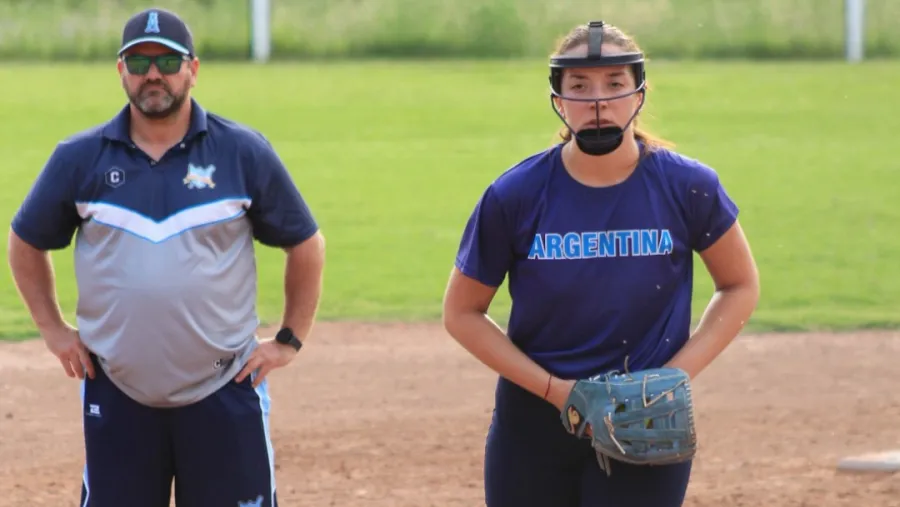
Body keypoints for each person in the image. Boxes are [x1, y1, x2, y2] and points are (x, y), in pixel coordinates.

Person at [6, 7, 325, 507]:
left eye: (167, 60)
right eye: (138, 62)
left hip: (225, 389)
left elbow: (305, 243)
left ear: (192, 69)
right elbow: (26, 242)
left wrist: (288, 339)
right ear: (121, 73)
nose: (152, 73)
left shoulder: (241, 152)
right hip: (116, 391)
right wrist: (52, 329)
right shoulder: (80, 157)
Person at [442, 20, 760, 507]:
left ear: (638, 94)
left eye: (614, 85)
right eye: (580, 86)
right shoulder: (516, 195)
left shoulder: (688, 186)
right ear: (558, 97)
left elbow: (739, 285)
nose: (598, 102)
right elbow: (461, 312)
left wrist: (671, 379)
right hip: (534, 422)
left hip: (647, 421)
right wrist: (559, 391)